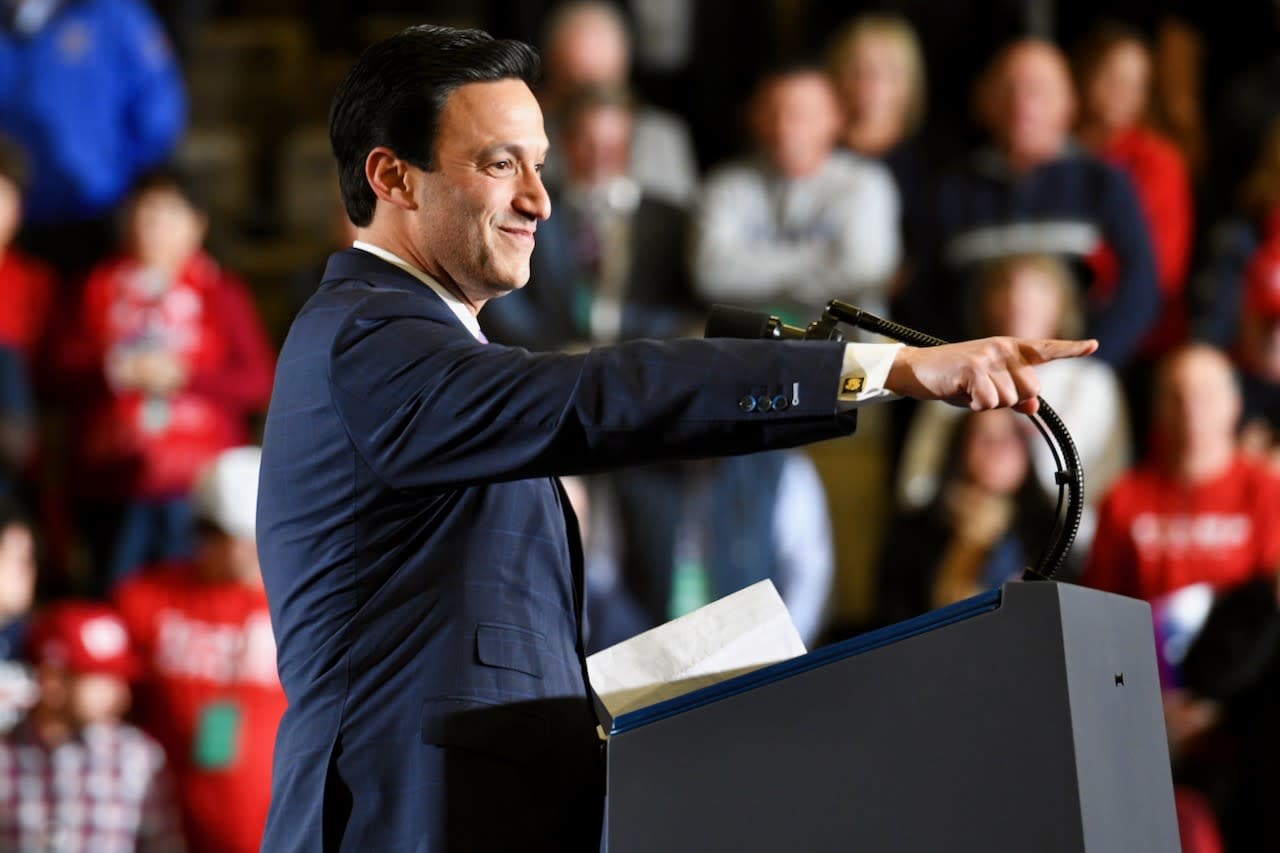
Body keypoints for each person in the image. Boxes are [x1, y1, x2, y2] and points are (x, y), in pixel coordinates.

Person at [256, 25, 1097, 853]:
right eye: (501, 164)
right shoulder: (366, 337)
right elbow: (602, 394)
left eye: (540, 165)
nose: (540, 200)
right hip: (400, 818)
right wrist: (890, 369)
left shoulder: (424, 355)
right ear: (393, 177)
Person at [57, 169, 275, 589]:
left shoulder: (222, 292)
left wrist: (184, 377)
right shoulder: (94, 288)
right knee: (117, 585)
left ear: (198, 225)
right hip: (113, 476)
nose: (153, 224)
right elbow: (56, 371)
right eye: (145, 211)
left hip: (198, 481)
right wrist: (113, 370)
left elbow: (257, 382)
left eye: (169, 212)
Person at [907, 38, 1160, 368]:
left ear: (1069, 102)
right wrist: (955, 365)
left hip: (1075, 377)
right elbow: (921, 293)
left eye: (1038, 90)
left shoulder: (1103, 184)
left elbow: (1141, 287)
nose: (1021, 102)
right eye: (1008, 88)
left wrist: (1089, 364)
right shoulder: (950, 190)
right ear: (984, 100)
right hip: (968, 376)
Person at [897, 253, 1130, 554]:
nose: (1018, 299)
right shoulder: (951, 373)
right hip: (955, 535)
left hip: (1064, 544)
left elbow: (1110, 483)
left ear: (1063, 302)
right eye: (1005, 286)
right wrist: (959, 510)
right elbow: (916, 483)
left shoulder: (1091, 383)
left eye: (1037, 287)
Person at [115, 447, 284, 853]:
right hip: (166, 830)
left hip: (278, 832)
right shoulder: (145, 597)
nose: (245, 549)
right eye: (225, 536)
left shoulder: (302, 605)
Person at [481, 84, 698, 349]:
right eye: (588, 143)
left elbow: (683, 309)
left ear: (630, 146)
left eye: (613, 145)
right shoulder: (527, 209)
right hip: (548, 359)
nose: (600, 157)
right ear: (566, 143)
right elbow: (504, 303)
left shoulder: (670, 221)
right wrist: (552, 356)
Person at [692, 62, 901, 327]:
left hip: (847, 343)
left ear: (835, 117)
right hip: (745, 341)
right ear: (754, 116)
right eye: (772, 111)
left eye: (800, 114)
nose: (784, 127)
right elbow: (709, 274)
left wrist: (754, 267)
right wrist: (821, 256)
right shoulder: (725, 184)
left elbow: (866, 272)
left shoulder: (866, 183)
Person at [0, 0, 187, 274]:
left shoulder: (113, 14)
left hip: (100, 214)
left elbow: (158, 112)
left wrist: (133, 186)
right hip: (16, 220)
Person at [1082, 345, 1280, 601]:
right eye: (1177, 397)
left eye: (1205, 396)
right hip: (1145, 626)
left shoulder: (1267, 493)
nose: (1191, 410)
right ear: (1158, 408)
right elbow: (1099, 601)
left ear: (1234, 403)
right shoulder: (1123, 498)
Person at [582, 450, 834, 651]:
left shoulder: (783, 470)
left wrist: (777, 651)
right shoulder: (625, 475)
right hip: (648, 661)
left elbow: (808, 576)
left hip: (754, 662)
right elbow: (603, 575)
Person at [0, 601, 185, 851]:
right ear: (53, 680)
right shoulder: (6, 755)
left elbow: (164, 845)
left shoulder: (136, 758)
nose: (119, 694)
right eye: (100, 679)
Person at [1074, 23, 1194, 359]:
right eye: (1113, 78)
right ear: (1086, 75)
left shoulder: (1158, 161)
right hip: (1058, 319)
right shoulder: (1059, 153)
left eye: (1136, 84)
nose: (1123, 93)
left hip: (1139, 334)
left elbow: (1162, 268)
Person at [876, 409, 1058, 625]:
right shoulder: (913, 531)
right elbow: (893, 614)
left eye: (1010, 435)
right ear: (960, 447)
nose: (997, 446)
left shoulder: (1052, 532)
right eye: (983, 435)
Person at [538, 1, 699, 209]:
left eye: (604, 84)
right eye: (577, 87)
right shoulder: (526, 136)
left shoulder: (663, 141)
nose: (591, 102)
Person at [826, 13, 935, 278]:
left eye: (887, 70)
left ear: (909, 82)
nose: (870, 82)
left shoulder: (935, 165)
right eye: (857, 69)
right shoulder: (814, 157)